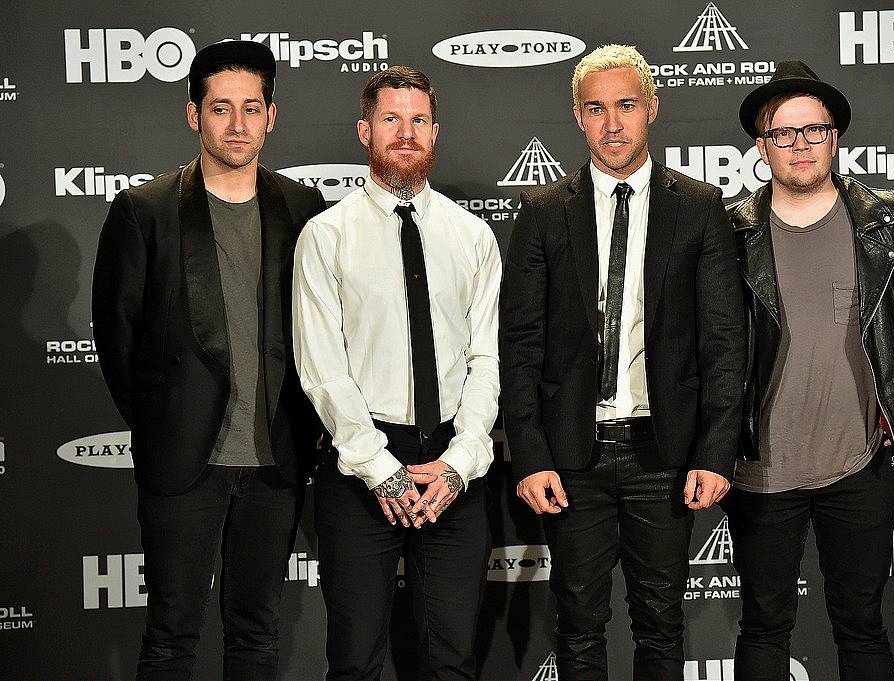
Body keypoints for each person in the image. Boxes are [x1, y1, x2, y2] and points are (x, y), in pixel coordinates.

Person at [499, 44, 745, 681]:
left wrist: (714, 454)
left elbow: (723, 341)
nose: (613, 123)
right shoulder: (545, 211)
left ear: (653, 110)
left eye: (627, 106)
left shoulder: (698, 207)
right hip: (571, 456)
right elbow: (520, 345)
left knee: (661, 628)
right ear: (578, 117)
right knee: (578, 630)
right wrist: (530, 455)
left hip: (662, 455)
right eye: (597, 109)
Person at [92, 41, 326, 681]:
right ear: (192, 114)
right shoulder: (146, 210)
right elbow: (118, 339)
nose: (237, 124)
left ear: (271, 116)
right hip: (184, 463)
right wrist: (165, 421)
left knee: (257, 637)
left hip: (275, 461)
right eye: (221, 109)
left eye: (252, 108)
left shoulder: (304, 210)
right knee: (170, 639)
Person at [725, 60, 894, 681]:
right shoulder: (730, 230)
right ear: (761, 144)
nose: (801, 143)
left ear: (836, 137)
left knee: (862, 629)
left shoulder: (888, 216)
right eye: (785, 132)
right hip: (759, 467)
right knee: (762, 630)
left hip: (860, 461)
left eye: (816, 129)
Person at [291, 66, 501, 681]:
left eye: (418, 121)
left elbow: (486, 360)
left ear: (435, 132)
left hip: (453, 469)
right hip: (361, 467)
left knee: (454, 661)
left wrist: (462, 462)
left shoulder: (473, 237)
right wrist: (381, 471)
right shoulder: (326, 236)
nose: (405, 134)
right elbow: (321, 368)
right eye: (391, 120)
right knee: (355, 660)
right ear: (365, 131)